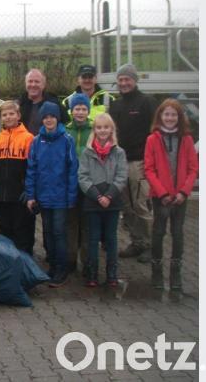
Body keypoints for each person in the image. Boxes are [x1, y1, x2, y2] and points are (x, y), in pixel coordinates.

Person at [144, 99, 198, 291]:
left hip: (180, 197)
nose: (170, 118)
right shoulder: (152, 139)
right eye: (166, 114)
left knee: (178, 234)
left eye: (173, 114)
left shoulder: (187, 139)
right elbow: (149, 169)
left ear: (179, 117)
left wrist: (184, 192)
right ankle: (156, 273)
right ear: (160, 116)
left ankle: (176, 274)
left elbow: (193, 168)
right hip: (161, 196)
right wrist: (162, 192)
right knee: (158, 233)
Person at [25, 102, 78, 288]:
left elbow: (73, 170)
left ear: (57, 118)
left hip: (61, 198)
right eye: (45, 117)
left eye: (52, 116)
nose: (49, 120)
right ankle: (53, 266)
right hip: (43, 196)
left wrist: (71, 196)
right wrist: (31, 195)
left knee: (59, 232)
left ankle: (62, 269)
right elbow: (31, 169)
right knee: (47, 233)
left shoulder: (67, 140)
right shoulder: (37, 141)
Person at [110, 63, 158, 263]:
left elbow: (156, 131)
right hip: (120, 162)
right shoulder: (116, 105)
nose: (123, 83)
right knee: (126, 206)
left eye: (127, 79)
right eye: (120, 80)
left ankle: (152, 246)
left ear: (135, 80)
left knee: (141, 205)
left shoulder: (147, 102)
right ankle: (136, 241)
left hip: (139, 162)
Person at [78, 113, 128, 287]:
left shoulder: (119, 152)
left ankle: (112, 274)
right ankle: (92, 274)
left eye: (106, 127)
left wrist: (109, 195)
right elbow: (83, 177)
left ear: (111, 130)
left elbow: (122, 176)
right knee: (92, 239)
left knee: (111, 239)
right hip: (93, 201)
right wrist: (98, 196)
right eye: (99, 127)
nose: (102, 130)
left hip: (112, 201)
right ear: (94, 130)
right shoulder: (87, 152)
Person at [0, 101, 36, 254]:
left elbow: (33, 167)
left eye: (11, 114)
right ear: (0, 118)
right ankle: (8, 264)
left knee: (22, 231)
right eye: (4, 115)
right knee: (4, 230)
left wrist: (30, 191)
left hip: (20, 196)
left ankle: (25, 264)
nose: (8, 117)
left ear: (18, 115)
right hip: (1, 196)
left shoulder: (29, 138)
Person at [64, 93, 94, 273]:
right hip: (70, 183)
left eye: (84, 109)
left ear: (88, 111)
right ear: (72, 111)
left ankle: (88, 261)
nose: (80, 112)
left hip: (89, 184)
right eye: (77, 109)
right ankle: (70, 260)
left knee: (88, 224)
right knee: (71, 223)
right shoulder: (66, 131)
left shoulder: (94, 130)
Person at [19, 68, 69, 135]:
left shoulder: (54, 104)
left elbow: (66, 124)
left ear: (43, 85)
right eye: (30, 81)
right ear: (25, 84)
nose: (33, 85)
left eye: (37, 82)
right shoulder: (18, 105)